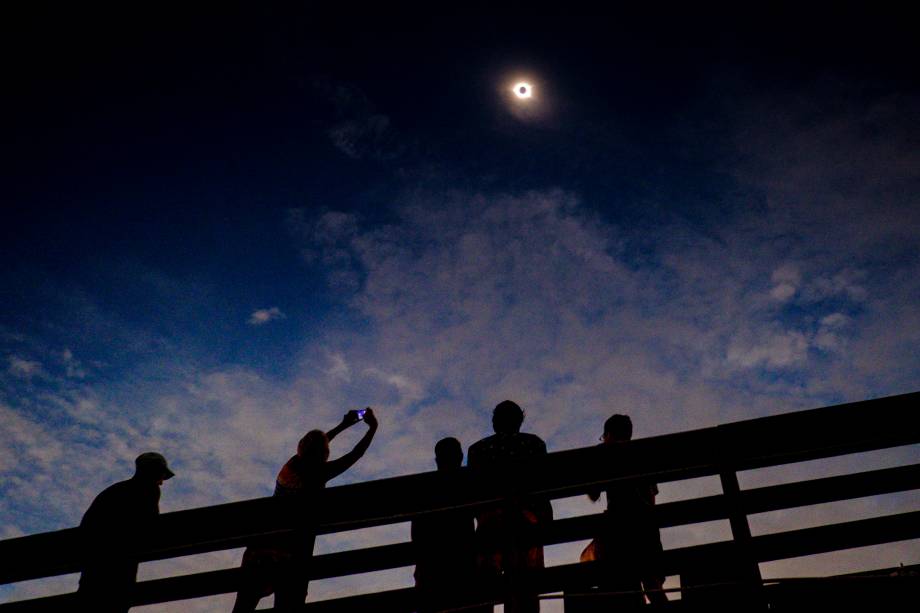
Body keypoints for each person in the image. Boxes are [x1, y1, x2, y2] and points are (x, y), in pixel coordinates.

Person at [232, 408, 378, 612]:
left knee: (243, 607)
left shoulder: (291, 465)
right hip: (291, 554)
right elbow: (354, 455)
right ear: (324, 454)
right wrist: (372, 428)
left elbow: (314, 446)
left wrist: (342, 426)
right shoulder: (319, 473)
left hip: (260, 547)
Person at [468, 400, 552, 613]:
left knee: (485, 583)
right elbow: (544, 488)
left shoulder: (478, 450)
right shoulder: (534, 444)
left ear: (495, 422)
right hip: (526, 522)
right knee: (526, 585)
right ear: (519, 422)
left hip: (490, 525)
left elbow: (472, 496)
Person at [78, 451, 176, 612]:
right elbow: (152, 527)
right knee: (118, 601)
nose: (161, 483)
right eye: (161, 476)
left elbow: (87, 526)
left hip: (94, 562)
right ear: (154, 472)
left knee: (89, 601)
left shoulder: (113, 490)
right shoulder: (149, 490)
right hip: (120, 562)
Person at [589, 414, 667, 608]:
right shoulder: (643, 453)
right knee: (652, 585)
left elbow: (593, 493)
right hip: (647, 531)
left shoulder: (603, 451)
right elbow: (651, 497)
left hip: (618, 534)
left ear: (607, 434)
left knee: (621, 586)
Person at [411, 437, 482, 612]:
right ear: (460, 457)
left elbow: (416, 531)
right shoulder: (468, 483)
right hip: (464, 566)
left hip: (431, 569)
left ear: (437, 460)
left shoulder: (424, 488)